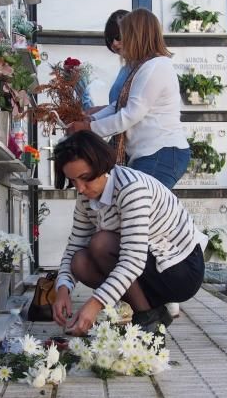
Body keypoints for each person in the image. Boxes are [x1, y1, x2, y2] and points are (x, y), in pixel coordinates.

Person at [51, 131, 206, 335]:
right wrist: (62, 290)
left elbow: (132, 260)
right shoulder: (86, 197)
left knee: (101, 244)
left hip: (180, 268)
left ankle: (148, 323)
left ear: (101, 165)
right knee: (80, 262)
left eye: (85, 178)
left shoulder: (131, 188)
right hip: (148, 266)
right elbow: (75, 245)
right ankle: (154, 314)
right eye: (73, 181)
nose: (80, 188)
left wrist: (95, 305)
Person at [67, 8, 190, 189]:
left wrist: (88, 128)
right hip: (150, 153)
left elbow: (131, 114)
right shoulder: (144, 66)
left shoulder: (155, 67)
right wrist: (92, 118)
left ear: (138, 35)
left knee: (138, 211)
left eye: (124, 35)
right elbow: (120, 104)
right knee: (133, 210)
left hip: (160, 153)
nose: (119, 43)